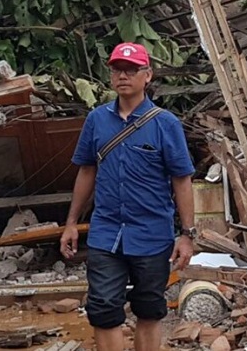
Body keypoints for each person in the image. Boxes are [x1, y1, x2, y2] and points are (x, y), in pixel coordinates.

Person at [60, 42, 197, 351]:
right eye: (117, 70)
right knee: (103, 310)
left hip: (152, 234)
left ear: (147, 75)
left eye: (131, 70)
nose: (123, 76)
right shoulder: (97, 120)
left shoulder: (166, 124)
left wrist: (187, 235)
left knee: (149, 309)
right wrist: (71, 223)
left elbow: (182, 180)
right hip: (105, 233)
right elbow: (86, 172)